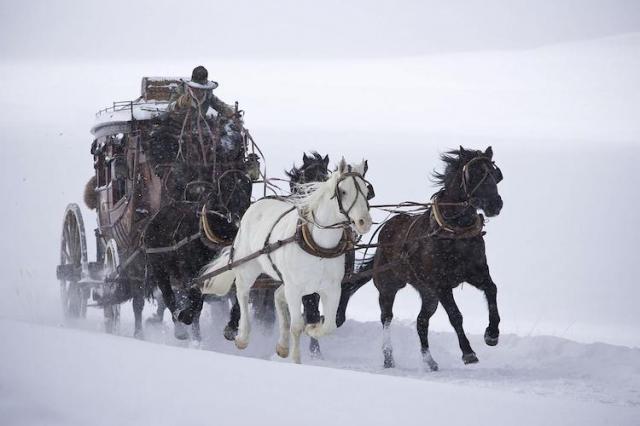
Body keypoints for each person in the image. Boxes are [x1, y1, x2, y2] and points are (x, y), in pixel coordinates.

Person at [169, 65, 236, 119]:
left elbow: (220, 106)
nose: (199, 91)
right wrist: (179, 103)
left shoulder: (208, 94)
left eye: (202, 89)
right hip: (178, 124)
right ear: (190, 86)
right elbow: (169, 108)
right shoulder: (181, 90)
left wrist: (232, 113)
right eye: (196, 88)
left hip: (199, 125)